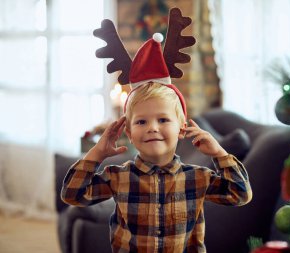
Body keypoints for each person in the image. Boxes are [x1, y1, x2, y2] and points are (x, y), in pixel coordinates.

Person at [62, 14, 252, 252]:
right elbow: (72, 194)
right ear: (129, 133)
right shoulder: (118, 177)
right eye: (141, 122)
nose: (152, 127)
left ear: (182, 128)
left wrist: (219, 153)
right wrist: (97, 153)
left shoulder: (197, 178)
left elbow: (240, 194)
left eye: (163, 119)